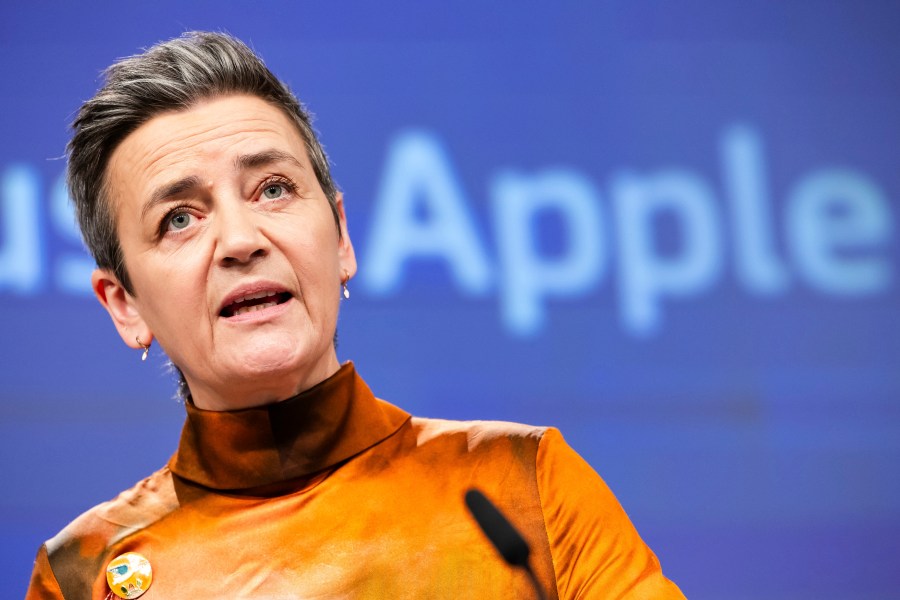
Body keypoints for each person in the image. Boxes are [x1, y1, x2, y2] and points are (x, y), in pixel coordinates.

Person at [25, 32, 684, 599]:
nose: (240, 239)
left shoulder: (521, 487)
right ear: (125, 305)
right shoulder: (85, 574)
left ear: (341, 238)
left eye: (273, 188)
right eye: (179, 219)